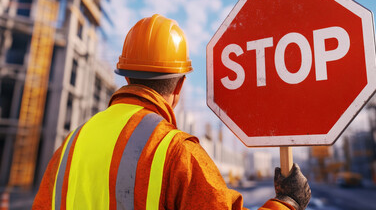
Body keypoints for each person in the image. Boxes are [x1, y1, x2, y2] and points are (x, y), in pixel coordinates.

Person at [33, 14, 311, 210]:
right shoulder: (176, 151)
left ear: (126, 78)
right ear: (179, 86)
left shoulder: (70, 145)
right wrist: (287, 203)